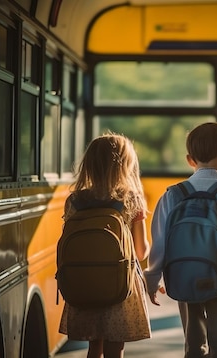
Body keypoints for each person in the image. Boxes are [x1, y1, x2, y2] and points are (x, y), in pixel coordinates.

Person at [144, 122, 217, 357]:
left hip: (183, 276)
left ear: (190, 159)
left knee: (193, 345)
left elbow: (160, 242)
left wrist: (152, 278)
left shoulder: (173, 194)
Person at [58, 132, 152, 358]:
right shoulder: (131, 199)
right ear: (126, 166)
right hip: (120, 286)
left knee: (94, 346)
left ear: (89, 165)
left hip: (85, 282)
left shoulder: (75, 200)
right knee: (114, 348)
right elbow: (141, 251)